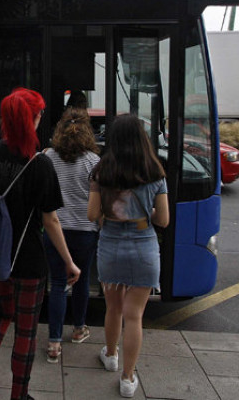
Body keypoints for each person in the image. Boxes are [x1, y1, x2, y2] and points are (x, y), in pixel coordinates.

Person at [0, 87, 80, 400]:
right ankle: (19, 394)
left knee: (1, 313)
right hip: (27, 261)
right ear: (33, 120)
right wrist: (69, 261)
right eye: (39, 114)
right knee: (26, 330)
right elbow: (50, 221)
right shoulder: (39, 164)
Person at [87, 114, 169, 398]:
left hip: (110, 245)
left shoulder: (102, 172)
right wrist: (145, 212)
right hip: (144, 245)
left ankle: (110, 356)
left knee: (113, 308)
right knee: (134, 316)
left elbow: (91, 214)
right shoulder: (155, 171)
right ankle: (127, 378)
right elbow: (164, 220)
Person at [42, 107, 100, 364]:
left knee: (57, 283)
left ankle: (54, 341)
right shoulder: (93, 162)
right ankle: (78, 329)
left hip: (55, 230)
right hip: (85, 232)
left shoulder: (47, 157)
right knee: (82, 280)